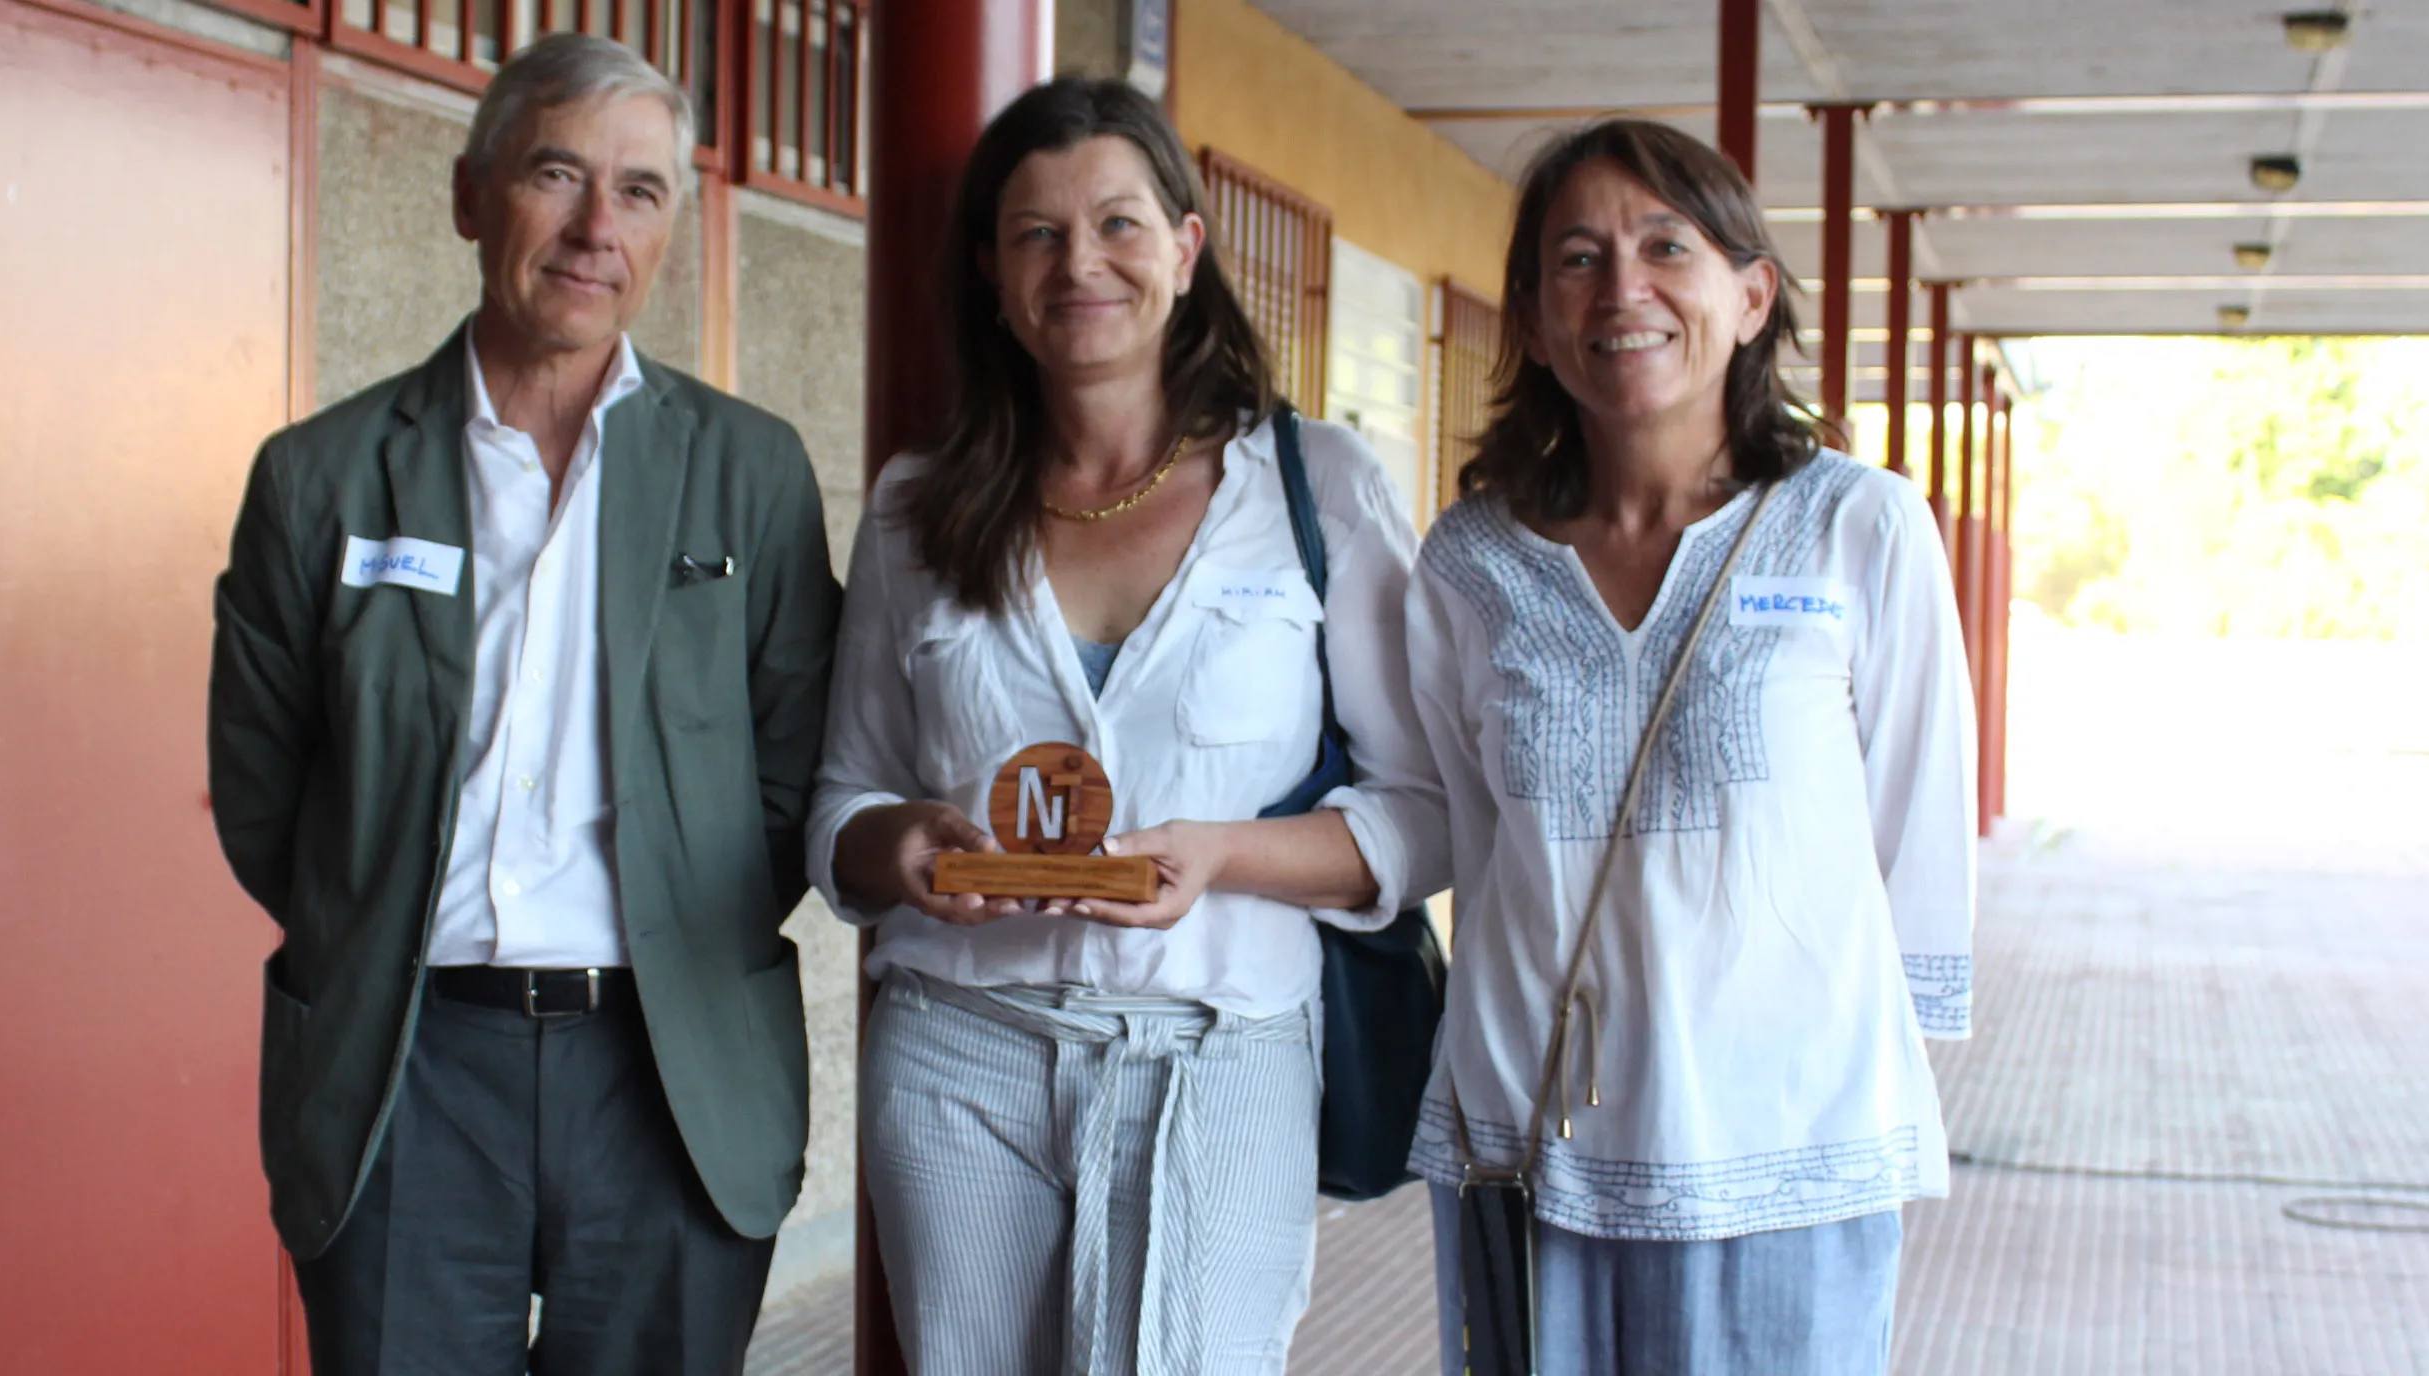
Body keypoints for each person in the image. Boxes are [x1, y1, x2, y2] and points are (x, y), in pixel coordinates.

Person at [205, 33, 838, 1376]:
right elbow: (265, 796)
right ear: (470, 195)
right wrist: (376, 923)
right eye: (559, 174)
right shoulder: (320, 480)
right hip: (407, 1067)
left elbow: (795, 779)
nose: (598, 227)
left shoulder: (751, 475)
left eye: (643, 190)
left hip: (669, 1075)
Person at [808, 78, 1443, 1375]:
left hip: (1219, 1051)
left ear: (1187, 250)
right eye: (1036, 232)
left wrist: (1219, 854)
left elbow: (1426, 815)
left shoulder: (1316, 489)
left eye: (1118, 224)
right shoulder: (918, 508)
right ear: (991, 270)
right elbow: (841, 800)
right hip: (958, 1051)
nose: (1079, 262)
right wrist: (906, 847)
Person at [1405, 117, 1975, 1375]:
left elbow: (1914, 824)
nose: (1624, 290)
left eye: (1668, 246)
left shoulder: (1857, 527)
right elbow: (1462, 824)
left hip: (1781, 1136)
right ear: (1537, 319)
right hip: (1531, 1134)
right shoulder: (1471, 561)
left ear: (1751, 293)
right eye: (1577, 259)